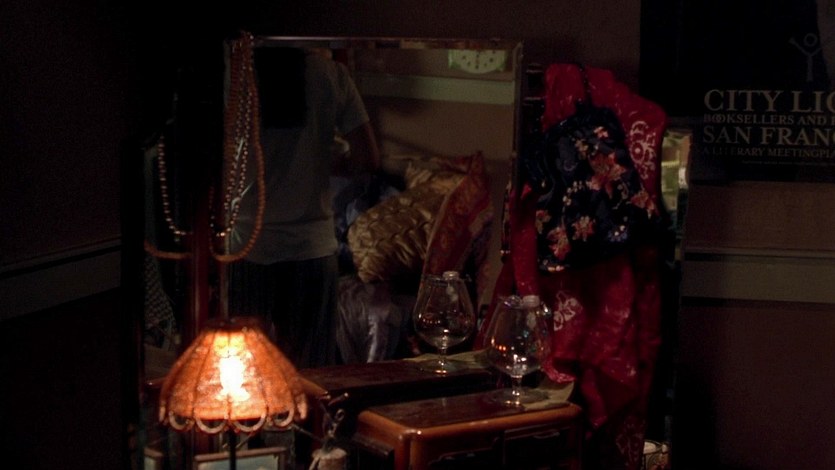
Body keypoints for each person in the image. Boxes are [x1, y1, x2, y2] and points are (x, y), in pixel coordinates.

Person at [229, 45, 380, 369]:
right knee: (310, 375)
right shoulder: (331, 75)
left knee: (245, 374)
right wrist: (321, 162)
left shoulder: (235, 72)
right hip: (310, 248)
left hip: (248, 244)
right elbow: (368, 158)